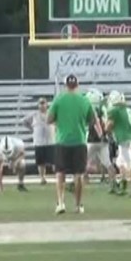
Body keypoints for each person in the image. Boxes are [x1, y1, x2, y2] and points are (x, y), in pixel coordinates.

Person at [48, 74, 97, 214]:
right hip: (79, 140)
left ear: (65, 85)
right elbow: (92, 120)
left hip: (62, 140)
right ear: (77, 85)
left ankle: (61, 203)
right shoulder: (84, 100)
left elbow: (49, 119)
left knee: (60, 173)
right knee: (79, 174)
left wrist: (60, 121)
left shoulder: (59, 99)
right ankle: (78, 205)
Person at [105, 91, 131, 197]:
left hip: (124, 139)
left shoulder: (115, 110)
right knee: (120, 162)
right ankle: (123, 183)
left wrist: (106, 131)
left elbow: (109, 126)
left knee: (129, 165)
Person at [22, 98, 55, 185]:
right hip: (39, 142)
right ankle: (42, 177)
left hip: (50, 141)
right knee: (41, 162)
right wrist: (32, 128)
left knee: (54, 160)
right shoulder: (34, 115)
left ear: (47, 104)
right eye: (40, 103)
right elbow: (24, 121)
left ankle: (57, 176)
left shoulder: (51, 113)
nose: (42, 105)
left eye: (43, 103)